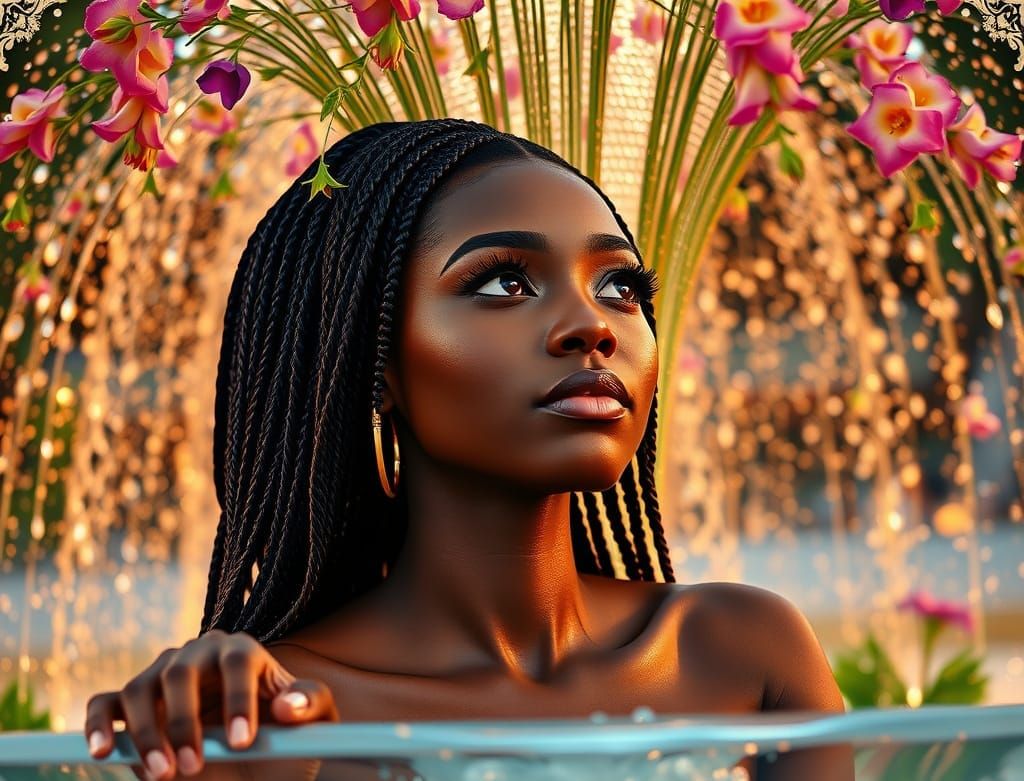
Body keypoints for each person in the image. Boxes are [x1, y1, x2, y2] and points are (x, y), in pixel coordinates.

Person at [82, 118, 853, 780]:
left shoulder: (745, 649)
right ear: (372, 362)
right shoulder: (278, 710)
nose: (594, 326)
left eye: (619, 284)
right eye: (504, 284)